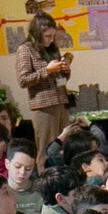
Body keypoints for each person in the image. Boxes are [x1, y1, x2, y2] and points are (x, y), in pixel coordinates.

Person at [14, 12, 72, 160]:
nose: (51, 40)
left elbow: (61, 78)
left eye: (53, 36)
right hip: (43, 107)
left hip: (61, 101)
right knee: (47, 149)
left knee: (65, 146)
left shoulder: (52, 49)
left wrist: (65, 70)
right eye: (47, 36)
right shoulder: (25, 49)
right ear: (37, 33)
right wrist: (47, 70)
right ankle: (45, 174)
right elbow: (23, 80)